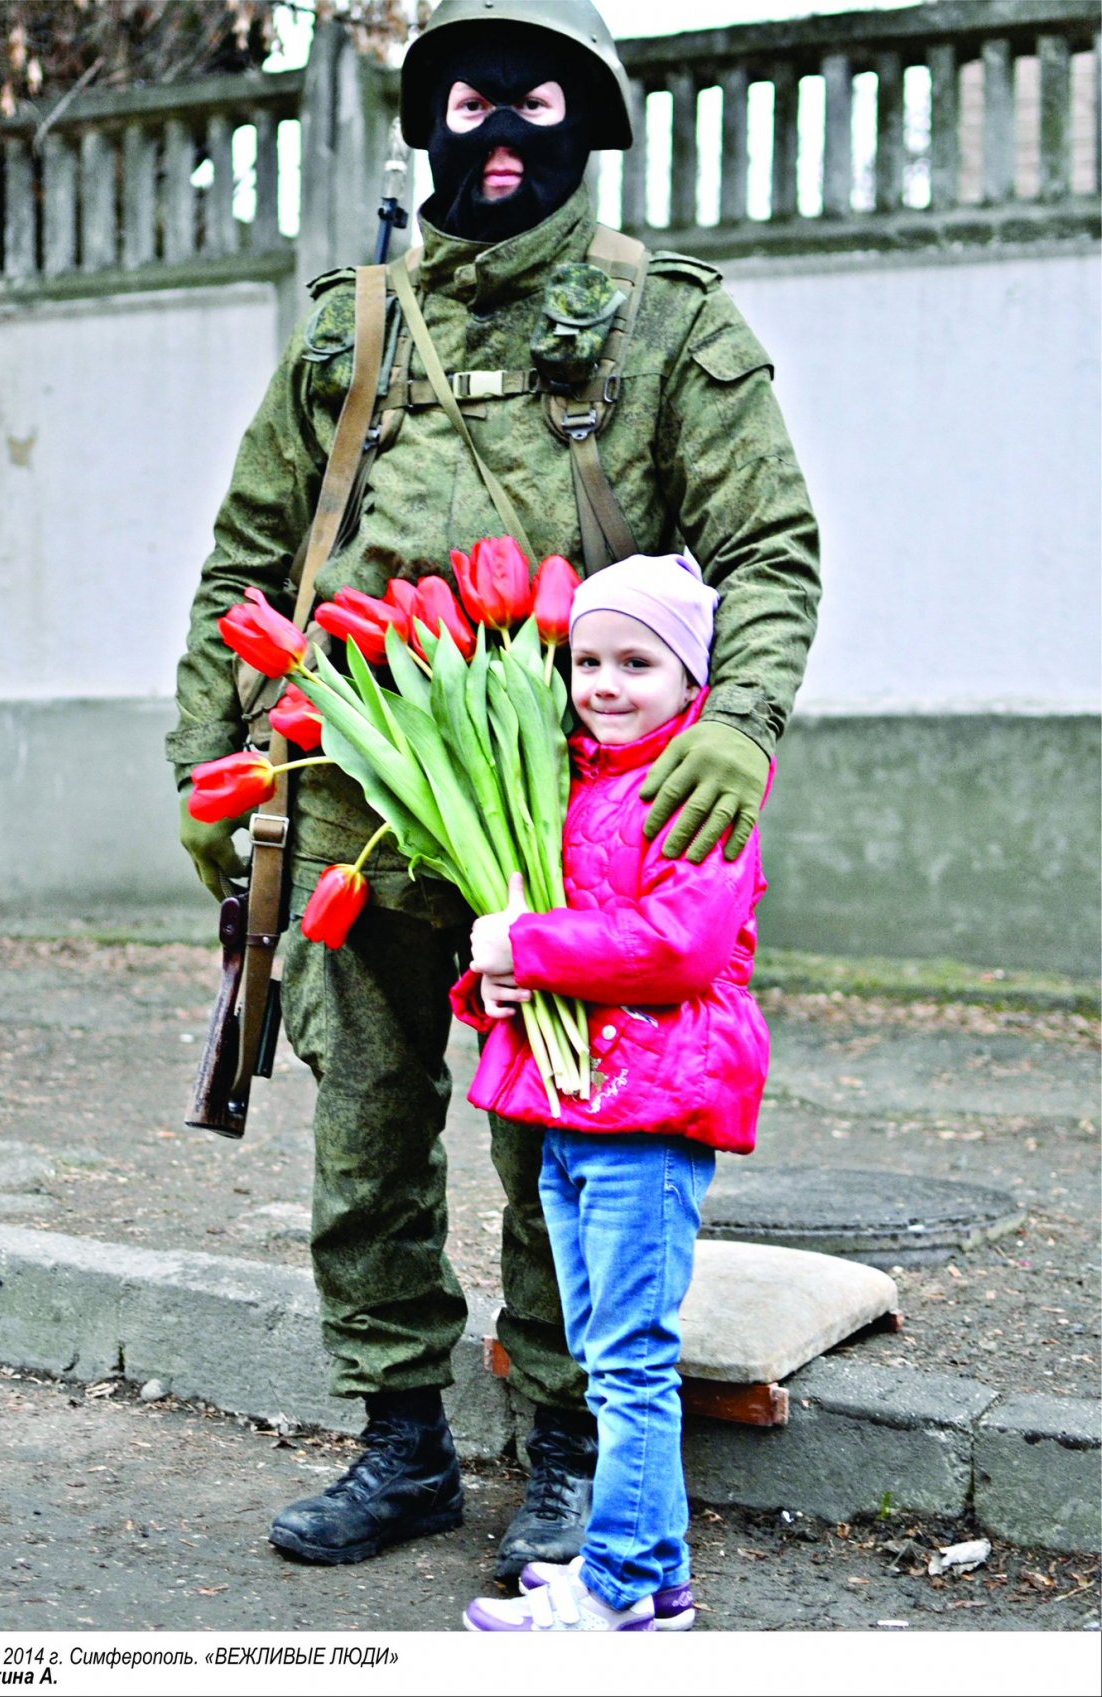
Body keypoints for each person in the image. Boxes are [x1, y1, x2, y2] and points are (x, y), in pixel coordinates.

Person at [167, 0, 819, 1576]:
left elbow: (768, 548)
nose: (503, 129)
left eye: (539, 98)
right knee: (367, 1136)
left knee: (564, 1141)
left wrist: (737, 724)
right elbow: (244, 564)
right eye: (470, 99)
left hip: (563, 821)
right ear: (429, 121)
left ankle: (566, 1443)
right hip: (344, 804)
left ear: (590, 120)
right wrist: (208, 772)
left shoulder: (665, 327)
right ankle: (396, 1441)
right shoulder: (350, 329)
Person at [457, 553, 769, 1631]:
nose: (605, 679)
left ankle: (625, 1589)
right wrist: (495, 972)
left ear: (693, 678)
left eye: (638, 660)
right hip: (572, 1107)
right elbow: (546, 942)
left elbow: (678, 947)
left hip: (650, 1106)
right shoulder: (573, 779)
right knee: (598, 1347)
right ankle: (657, 1570)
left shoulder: (699, 789)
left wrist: (530, 944)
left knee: (632, 1358)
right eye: (587, 656)